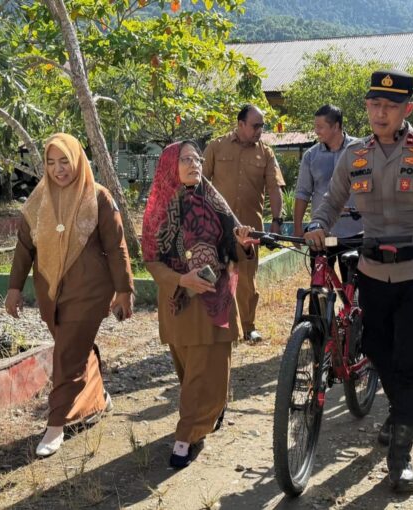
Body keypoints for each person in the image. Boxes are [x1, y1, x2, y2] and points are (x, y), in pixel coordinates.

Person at [304, 70, 413, 493]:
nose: (381, 113)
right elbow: (332, 199)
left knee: (410, 362)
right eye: (374, 105)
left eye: (390, 106)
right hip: (372, 273)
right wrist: (318, 223)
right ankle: (400, 413)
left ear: (406, 110)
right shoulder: (354, 155)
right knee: (376, 349)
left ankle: (400, 455)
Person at [4, 133, 134, 457]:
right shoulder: (39, 199)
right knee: (74, 348)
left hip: (91, 291)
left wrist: (124, 290)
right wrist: (14, 288)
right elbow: (24, 248)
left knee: (65, 355)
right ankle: (98, 397)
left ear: (77, 160)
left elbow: (117, 248)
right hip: (50, 292)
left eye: (65, 161)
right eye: (51, 162)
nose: (58, 169)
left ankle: (56, 425)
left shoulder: (99, 198)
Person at [142, 141, 256, 469]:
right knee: (191, 372)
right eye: (186, 159)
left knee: (205, 369)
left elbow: (237, 245)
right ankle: (208, 410)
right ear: (169, 165)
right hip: (178, 302)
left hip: (214, 300)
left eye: (197, 159)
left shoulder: (215, 201)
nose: (194, 164)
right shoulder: (159, 206)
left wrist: (244, 242)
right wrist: (181, 280)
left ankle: (187, 436)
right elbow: (151, 259)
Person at [203, 104, 286, 343]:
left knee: (247, 279)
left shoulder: (266, 153)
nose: (260, 130)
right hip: (217, 227)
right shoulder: (216, 147)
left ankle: (248, 327)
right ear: (240, 124)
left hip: (249, 228)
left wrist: (277, 222)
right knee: (214, 275)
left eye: (262, 125)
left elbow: (274, 189)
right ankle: (216, 325)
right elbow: (200, 183)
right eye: (255, 125)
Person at [294, 104, 362, 283]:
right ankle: (320, 311)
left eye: (320, 127)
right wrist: (298, 228)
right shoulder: (311, 156)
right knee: (319, 287)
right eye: (315, 126)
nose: (316, 131)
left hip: (354, 235)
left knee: (353, 290)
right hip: (322, 236)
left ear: (336, 126)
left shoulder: (360, 151)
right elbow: (302, 193)